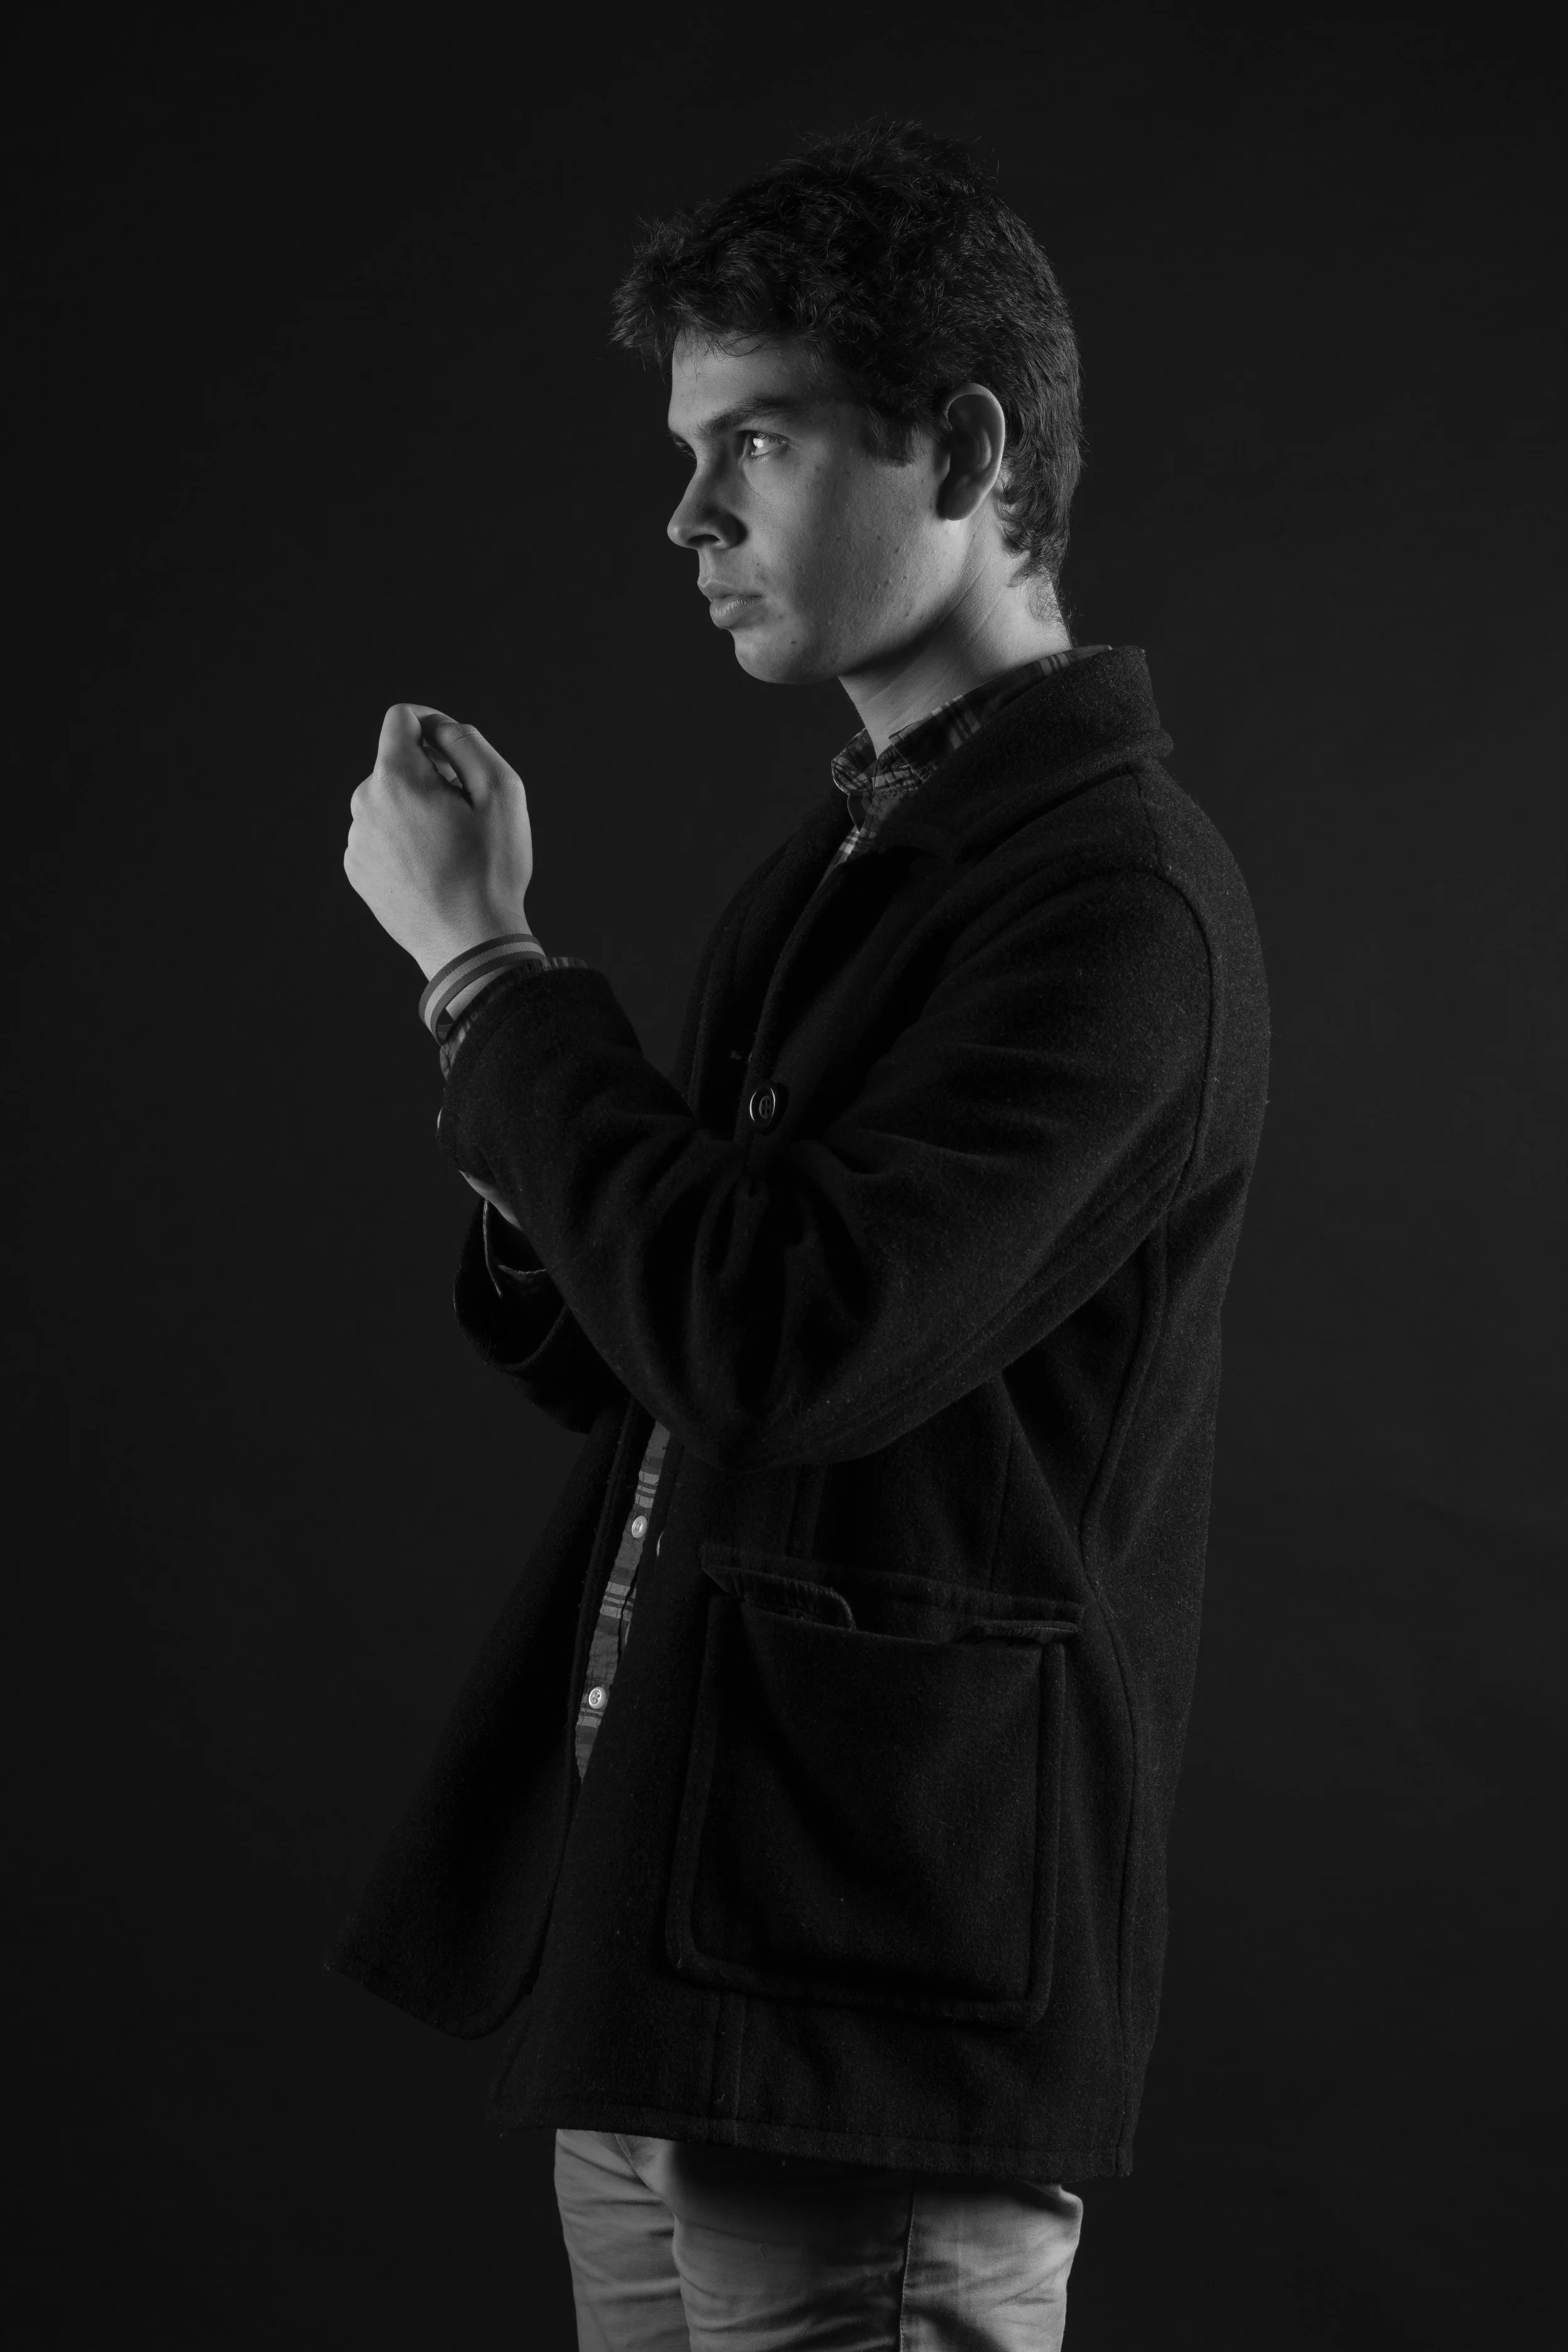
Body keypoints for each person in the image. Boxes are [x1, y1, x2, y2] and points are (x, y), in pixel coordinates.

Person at [334, 119, 1270, 2351]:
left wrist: (489, 979)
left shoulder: (1108, 906)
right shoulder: (852, 866)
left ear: (961, 450)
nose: (687, 518)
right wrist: (520, 1092)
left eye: (750, 440)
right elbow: (641, 1358)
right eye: (687, 447)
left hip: (871, 2018)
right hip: (674, 1958)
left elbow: (775, 1338)